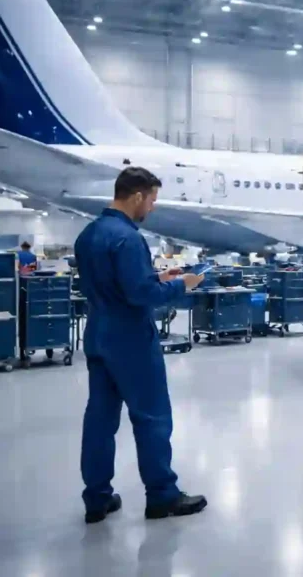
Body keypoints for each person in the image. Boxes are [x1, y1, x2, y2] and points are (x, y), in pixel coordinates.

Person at [75, 167, 207, 524]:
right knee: (151, 417)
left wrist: (156, 276)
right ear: (137, 196)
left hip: (98, 333)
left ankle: (97, 498)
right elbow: (140, 295)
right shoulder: (129, 239)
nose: (151, 208)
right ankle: (162, 496)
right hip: (130, 338)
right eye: (151, 200)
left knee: (100, 419)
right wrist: (182, 285)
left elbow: (114, 283)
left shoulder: (88, 235)